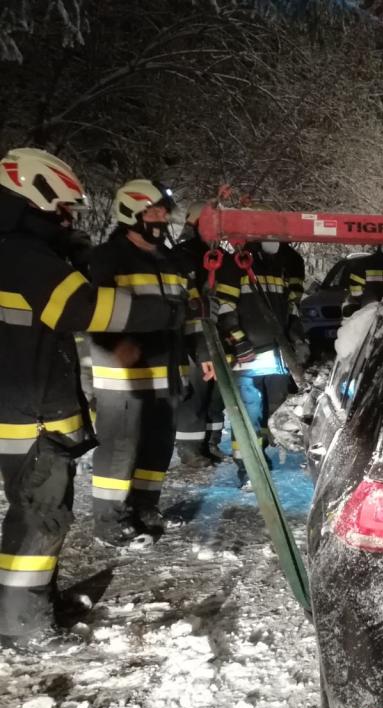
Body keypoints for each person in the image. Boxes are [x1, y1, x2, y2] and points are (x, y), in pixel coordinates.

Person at [0, 148, 178, 640]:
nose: (68, 219)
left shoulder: (18, 251)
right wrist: (165, 312)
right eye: (62, 210)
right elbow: (81, 306)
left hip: (24, 405)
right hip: (31, 414)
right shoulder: (21, 255)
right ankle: (23, 625)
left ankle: (32, 604)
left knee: (37, 512)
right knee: (40, 517)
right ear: (35, 199)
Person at [88, 179, 200, 545]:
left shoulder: (170, 261)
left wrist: (199, 354)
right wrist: (116, 344)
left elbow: (187, 314)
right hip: (125, 375)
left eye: (164, 212)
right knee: (120, 449)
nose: (161, 218)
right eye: (152, 212)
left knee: (157, 446)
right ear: (130, 213)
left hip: (167, 372)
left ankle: (145, 506)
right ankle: (110, 520)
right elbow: (93, 312)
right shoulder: (108, 258)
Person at [215, 238, 308, 486]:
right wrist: (238, 341)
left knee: (272, 411)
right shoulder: (236, 264)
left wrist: (297, 338)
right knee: (249, 413)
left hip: (277, 355)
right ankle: (248, 468)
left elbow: (291, 308)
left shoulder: (282, 265)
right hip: (248, 357)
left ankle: (261, 456)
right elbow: (224, 308)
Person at [170, 201, 229, 465]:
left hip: (214, 333)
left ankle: (210, 442)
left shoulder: (218, 256)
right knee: (196, 391)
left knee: (214, 393)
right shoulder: (182, 256)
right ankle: (190, 448)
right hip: (190, 336)